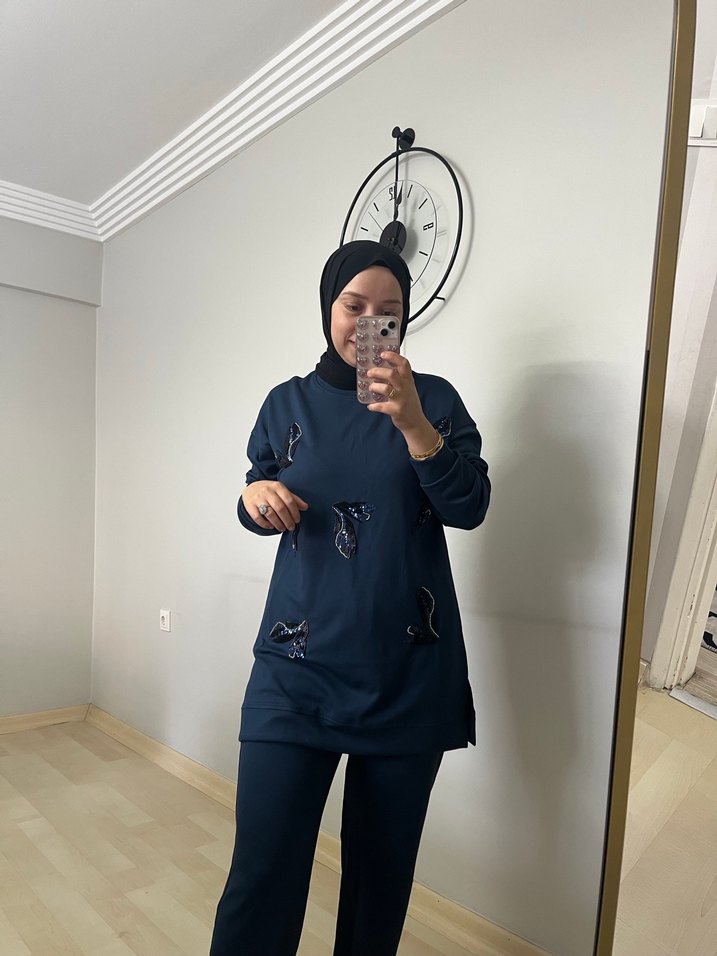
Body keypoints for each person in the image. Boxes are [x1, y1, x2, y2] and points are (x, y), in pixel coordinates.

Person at [209, 240, 490, 956]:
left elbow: (469, 506)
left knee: (377, 889)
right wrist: (254, 498)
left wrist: (412, 422)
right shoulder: (286, 402)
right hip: (294, 673)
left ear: (405, 319)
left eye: (388, 312)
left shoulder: (436, 400)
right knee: (261, 876)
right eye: (353, 306)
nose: (369, 323)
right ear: (327, 308)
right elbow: (257, 489)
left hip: (408, 677)